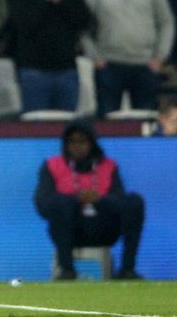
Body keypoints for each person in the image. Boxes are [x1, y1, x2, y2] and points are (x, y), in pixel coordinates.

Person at [35, 120, 145, 280]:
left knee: (135, 201)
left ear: (92, 143)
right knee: (59, 205)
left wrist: (99, 199)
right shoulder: (52, 165)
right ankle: (66, 271)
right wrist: (74, 199)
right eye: (72, 141)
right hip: (69, 230)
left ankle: (127, 269)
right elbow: (42, 206)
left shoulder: (109, 166)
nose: (77, 146)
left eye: (82, 141)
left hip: (103, 228)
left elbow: (120, 203)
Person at [83, 0, 174, 116]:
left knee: (146, 121)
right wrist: (94, 56)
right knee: (108, 124)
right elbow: (83, 26)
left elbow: (166, 22)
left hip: (145, 64)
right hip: (109, 64)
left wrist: (160, 56)